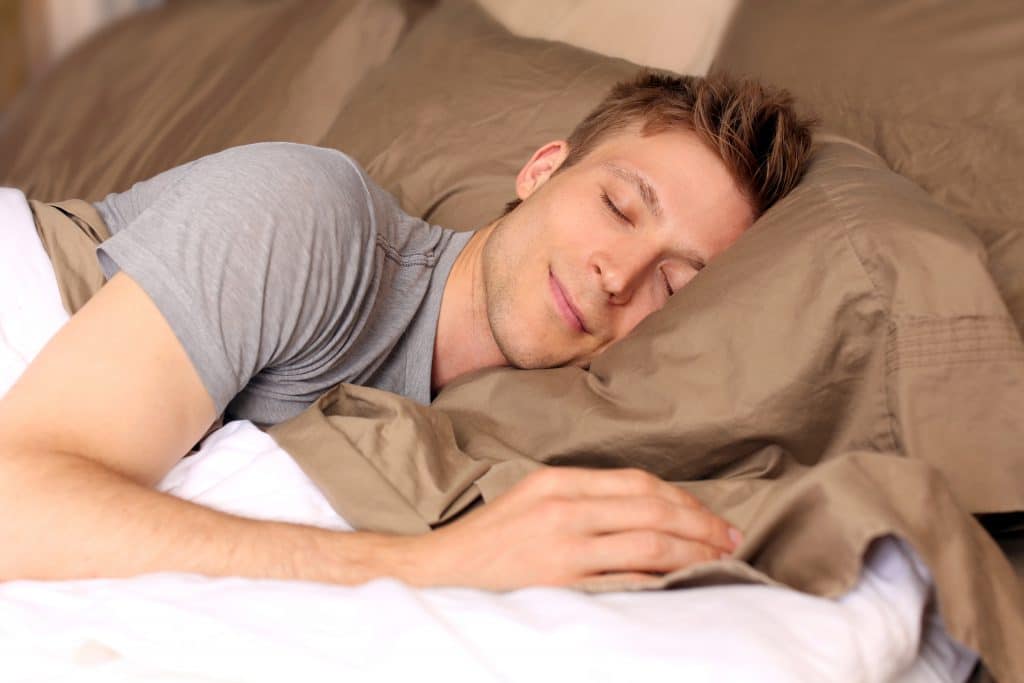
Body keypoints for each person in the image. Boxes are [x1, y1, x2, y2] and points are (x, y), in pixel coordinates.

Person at [0, 72, 814, 591]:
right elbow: (16, 503)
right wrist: (426, 567)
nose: (619, 272)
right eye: (618, 205)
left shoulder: (494, 437)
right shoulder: (310, 215)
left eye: (672, 286)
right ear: (541, 171)